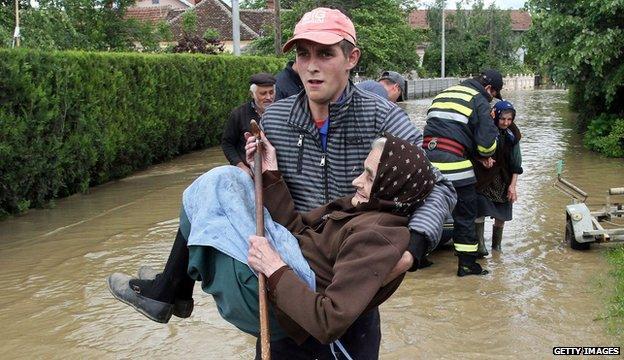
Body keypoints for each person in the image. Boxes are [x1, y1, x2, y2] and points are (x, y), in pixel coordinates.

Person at [107, 134, 437, 357]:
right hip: (292, 279)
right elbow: (298, 233)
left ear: (391, 185)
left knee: (216, 185)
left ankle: (170, 290)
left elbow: (328, 320)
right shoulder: (360, 208)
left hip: (292, 304)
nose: (356, 181)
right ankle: (172, 287)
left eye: (368, 175)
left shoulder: (380, 234)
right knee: (227, 182)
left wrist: (274, 267)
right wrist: (272, 174)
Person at [258, 7, 455, 357]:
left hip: (352, 294)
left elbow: (439, 185)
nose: (312, 65)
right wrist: (254, 169)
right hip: (286, 289)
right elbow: (262, 198)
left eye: (325, 53)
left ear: (352, 57)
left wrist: (412, 250)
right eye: (303, 54)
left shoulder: (382, 117)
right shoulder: (274, 119)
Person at [422, 69, 502, 277]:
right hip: (455, 166)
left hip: (426, 166)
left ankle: (418, 258)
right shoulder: (479, 100)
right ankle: (466, 265)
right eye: (494, 94)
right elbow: (486, 146)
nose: (492, 99)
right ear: (488, 88)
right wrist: (487, 150)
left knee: (425, 210)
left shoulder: (443, 94)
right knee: (465, 214)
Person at [474, 100, 522, 255]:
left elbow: (516, 164)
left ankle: (496, 248)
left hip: (504, 179)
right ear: (495, 116)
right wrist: (482, 159)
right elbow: (472, 151)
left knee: (501, 215)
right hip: (484, 178)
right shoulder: (486, 130)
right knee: (479, 210)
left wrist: (513, 186)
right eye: (502, 119)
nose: (506, 122)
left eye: (509, 119)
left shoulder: (513, 135)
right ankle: (480, 246)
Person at [221, 73, 275, 174]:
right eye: (263, 93)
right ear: (252, 94)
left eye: (271, 92)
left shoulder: (282, 112)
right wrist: (240, 165)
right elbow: (227, 144)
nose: (269, 97)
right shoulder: (238, 114)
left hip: (274, 172)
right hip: (248, 172)